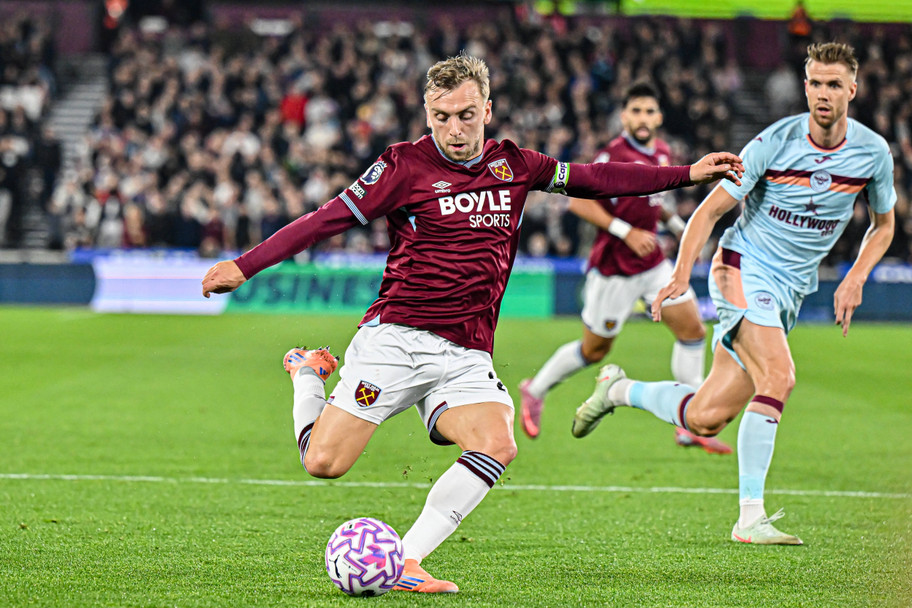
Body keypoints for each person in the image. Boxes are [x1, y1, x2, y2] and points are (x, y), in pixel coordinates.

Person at [201, 53, 743, 591]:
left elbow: (595, 178)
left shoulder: (516, 165)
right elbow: (326, 220)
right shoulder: (401, 167)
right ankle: (306, 375)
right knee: (323, 462)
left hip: (465, 354)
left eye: (464, 115)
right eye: (440, 116)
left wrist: (687, 174)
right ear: (426, 113)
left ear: (488, 109)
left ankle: (407, 561)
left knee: (496, 442)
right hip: (398, 339)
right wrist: (243, 266)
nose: (453, 129)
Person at [571, 42, 896, 545]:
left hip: (788, 290)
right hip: (742, 268)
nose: (823, 94)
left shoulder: (872, 153)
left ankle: (617, 390)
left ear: (853, 89)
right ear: (804, 85)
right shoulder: (773, 142)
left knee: (707, 416)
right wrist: (681, 275)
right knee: (780, 375)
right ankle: (750, 517)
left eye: (834, 84)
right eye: (815, 83)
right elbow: (708, 212)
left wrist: (855, 277)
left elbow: (884, 225)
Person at [518, 81, 731, 455]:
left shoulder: (663, 153)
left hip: (652, 265)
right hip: (614, 269)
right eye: (636, 111)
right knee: (594, 350)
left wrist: (680, 229)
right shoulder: (610, 156)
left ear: (659, 117)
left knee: (693, 329)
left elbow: (656, 203)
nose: (643, 118)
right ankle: (534, 391)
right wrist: (625, 231)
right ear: (624, 117)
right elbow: (579, 203)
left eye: (650, 111)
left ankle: (691, 421)